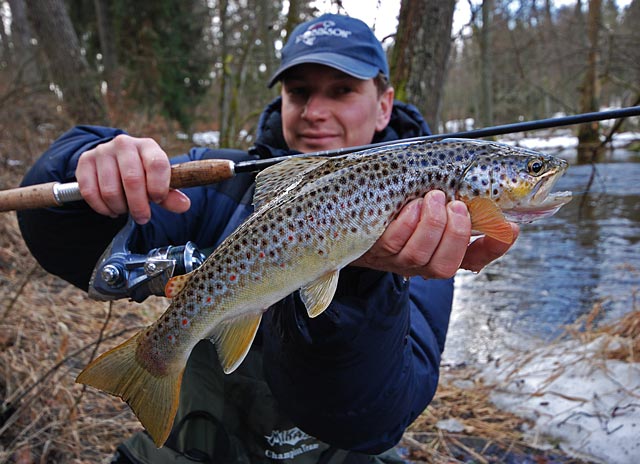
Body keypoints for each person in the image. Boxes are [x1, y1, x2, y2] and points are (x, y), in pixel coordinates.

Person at [18, 13, 518, 463]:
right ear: (281, 99)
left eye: (341, 90)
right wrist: (84, 161)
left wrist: (363, 282)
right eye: (299, 92)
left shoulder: (434, 216)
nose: (315, 111)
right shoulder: (219, 185)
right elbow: (68, 244)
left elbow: (376, 419)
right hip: (201, 443)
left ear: (384, 105)